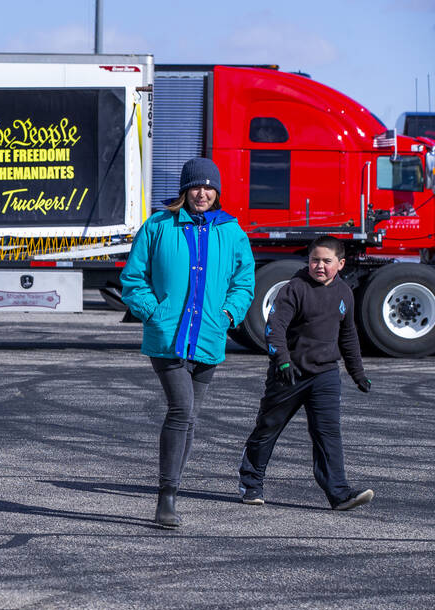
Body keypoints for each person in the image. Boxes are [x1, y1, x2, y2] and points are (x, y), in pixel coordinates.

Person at [120, 157, 255, 528]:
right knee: (181, 410)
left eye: (210, 187)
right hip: (168, 338)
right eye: (196, 186)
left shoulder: (231, 231)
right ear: (185, 190)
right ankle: (167, 496)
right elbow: (133, 278)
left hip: (209, 337)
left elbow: (244, 282)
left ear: (218, 192)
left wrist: (228, 315)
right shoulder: (159, 226)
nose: (203, 193)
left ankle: (171, 491)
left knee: (191, 417)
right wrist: (154, 312)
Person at [236, 236, 374, 510]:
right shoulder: (294, 289)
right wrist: (283, 361)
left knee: (328, 434)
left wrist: (357, 372)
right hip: (289, 373)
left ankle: (339, 493)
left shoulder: (344, 292)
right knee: (268, 428)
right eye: (315, 260)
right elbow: (274, 328)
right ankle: (251, 484)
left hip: (325, 375)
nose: (319, 266)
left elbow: (348, 336)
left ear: (341, 263)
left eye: (326, 261)